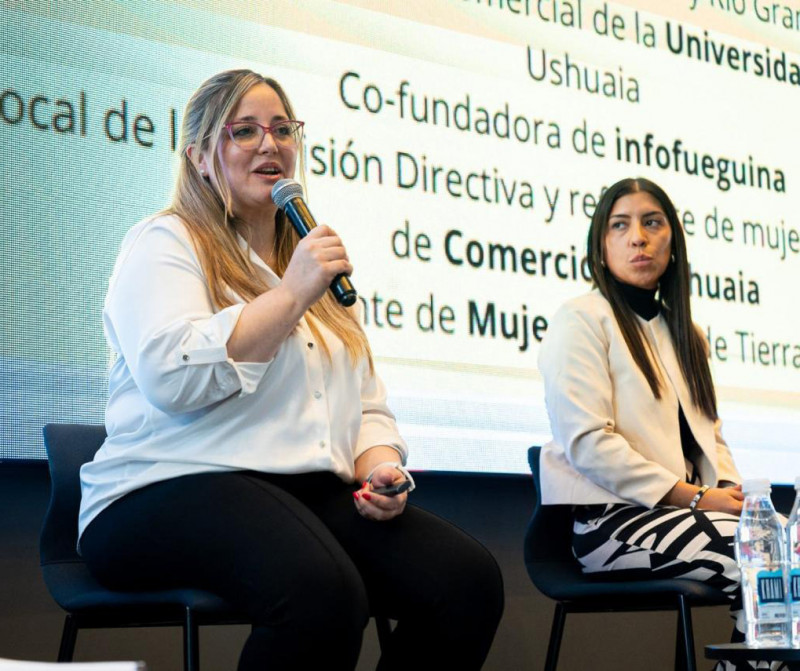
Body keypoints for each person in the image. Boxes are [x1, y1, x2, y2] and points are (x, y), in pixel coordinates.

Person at [78, 69, 503, 671]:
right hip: (162, 487)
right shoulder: (166, 241)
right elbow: (171, 379)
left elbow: (365, 405)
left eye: (282, 129)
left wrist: (379, 469)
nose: (269, 144)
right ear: (200, 156)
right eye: (243, 131)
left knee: (466, 582)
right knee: (323, 593)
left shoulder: (308, 264)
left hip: (295, 493)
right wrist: (292, 294)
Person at [537, 177, 759, 669]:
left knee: (787, 551)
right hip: (611, 525)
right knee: (763, 564)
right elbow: (587, 443)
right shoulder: (580, 319)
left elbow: (711, 439)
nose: (638, 237)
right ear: (602, 243)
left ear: (672, 243)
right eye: (621, 225)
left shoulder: (687, 334)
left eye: (652, 223)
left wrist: (731, 494)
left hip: (688, 515)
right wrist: (699, 498)